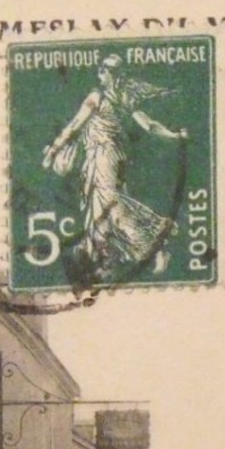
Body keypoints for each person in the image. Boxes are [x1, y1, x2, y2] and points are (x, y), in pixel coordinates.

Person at [41, 54, 188, 280]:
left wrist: (53, 151)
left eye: (104, 69)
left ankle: (154, 247)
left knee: (109, 204)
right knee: (99, 207)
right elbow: (149, 125)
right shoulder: (124, 99)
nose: (100, 72)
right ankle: (102, 258)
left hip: (103, 156)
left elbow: (74, 125)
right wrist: (174, 135)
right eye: (101, 68)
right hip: (109, 157)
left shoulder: (96, 96)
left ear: (112, 74)